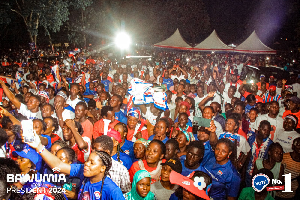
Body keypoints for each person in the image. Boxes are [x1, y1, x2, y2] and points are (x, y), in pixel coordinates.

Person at [23, 131, 125, 199]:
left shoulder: (112, 190)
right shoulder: (82, 171)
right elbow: (58, 165)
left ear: (103, 168)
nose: (86, 164)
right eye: (87, 160)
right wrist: (39, 146)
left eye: (92, 163)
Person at [246, 120, 273, 187]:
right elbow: (246, 156)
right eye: (264, 130)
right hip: (248, 172)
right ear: (259, 128)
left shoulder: (270, 144)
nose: (266, 132)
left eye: (268, 130)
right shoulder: (251, 139)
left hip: (260, 174)